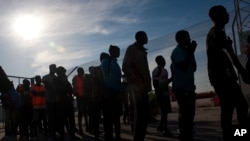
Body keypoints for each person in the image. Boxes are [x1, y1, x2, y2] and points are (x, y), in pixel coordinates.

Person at [206, 5, 249, 140]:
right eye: (225, 13)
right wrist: (243, 71)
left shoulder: (216, 33)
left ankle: (233, 135)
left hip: (221, 76)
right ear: (218, 16)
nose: (228, 15)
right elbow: (230, 53)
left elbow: (226, 52)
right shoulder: (217, 32)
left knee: (229, 109)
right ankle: (240, 134)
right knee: (239, 106)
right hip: (222, 77)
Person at [122, 31, 152, 141]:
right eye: (145, 36)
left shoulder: (142, 51)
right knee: (138, 114)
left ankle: (140, 136)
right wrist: (137, 81)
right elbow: (126, 66)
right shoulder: (132, 49)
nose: (147, 38)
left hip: (143, 87)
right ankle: (137, 137)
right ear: (139, 38)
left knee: (144, 114)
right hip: (136, 87)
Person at [170, 30, 197, 141]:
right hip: (181, 88)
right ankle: (183, 135)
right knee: (185, 113)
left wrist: (192, 52)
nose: (189, 39)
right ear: (179, 39)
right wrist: (191, 52)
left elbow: (194, 68)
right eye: (187, 37)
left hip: (189, 87)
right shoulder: (176, 52)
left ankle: (186, 133)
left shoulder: (186, 51)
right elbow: (184, 66)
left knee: (189, 114)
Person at [102, 45, 123, 141]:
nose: (119, 52)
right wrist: (111, 89)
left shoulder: (116, 63)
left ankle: (118, 136)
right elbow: (105, 78)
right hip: (110, 92)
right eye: (117, 51)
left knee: (117, 116)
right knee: (109, 118)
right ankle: (109, 137)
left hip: (117, 92)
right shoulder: (106, 61)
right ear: (113, 52)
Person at [152, 55, 173, 136]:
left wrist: (171, 78)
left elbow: (165, 82)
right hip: (161, 94)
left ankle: (160, 127)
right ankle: (165, 129)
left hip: (165, 93)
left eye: (164, 59)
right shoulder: (157, 70)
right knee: (164, 112)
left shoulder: (165, 70)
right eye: (162, 60)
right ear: (158, 61)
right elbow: (155, 83)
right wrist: (159, 92)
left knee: (165, 112)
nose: (164, 61)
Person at [72, 67, 89, 135]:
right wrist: (76, 93)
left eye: (82, 71)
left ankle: (87, 127)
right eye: (81, 71)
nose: (82, 72)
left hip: (85, 97)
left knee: (85, 113)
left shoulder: (85, 77)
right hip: (80, 97)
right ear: (78, 72)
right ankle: (80, 129)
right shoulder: (75, 78)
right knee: (81, 113)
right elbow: (74, 86)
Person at [42, 64, 57, 140]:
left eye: (55, 68)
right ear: (50, 68)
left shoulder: (56, 78)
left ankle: (54, 132)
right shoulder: (45, 77)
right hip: (49, 100)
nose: (54, 69)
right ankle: (51, 133)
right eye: (53, 68)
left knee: (55, 116)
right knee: (51, 117)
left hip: (56, 100)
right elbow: (45, 83)